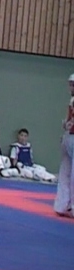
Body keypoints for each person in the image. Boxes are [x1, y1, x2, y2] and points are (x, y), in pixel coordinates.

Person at [52, 73, 74, 218]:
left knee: (66, 172)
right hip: (71, 136)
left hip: (69, 136)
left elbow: (67, 121)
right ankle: (69, 205)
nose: (70, 87)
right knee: (68, 173)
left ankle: (62, 205)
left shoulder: (72, 100)